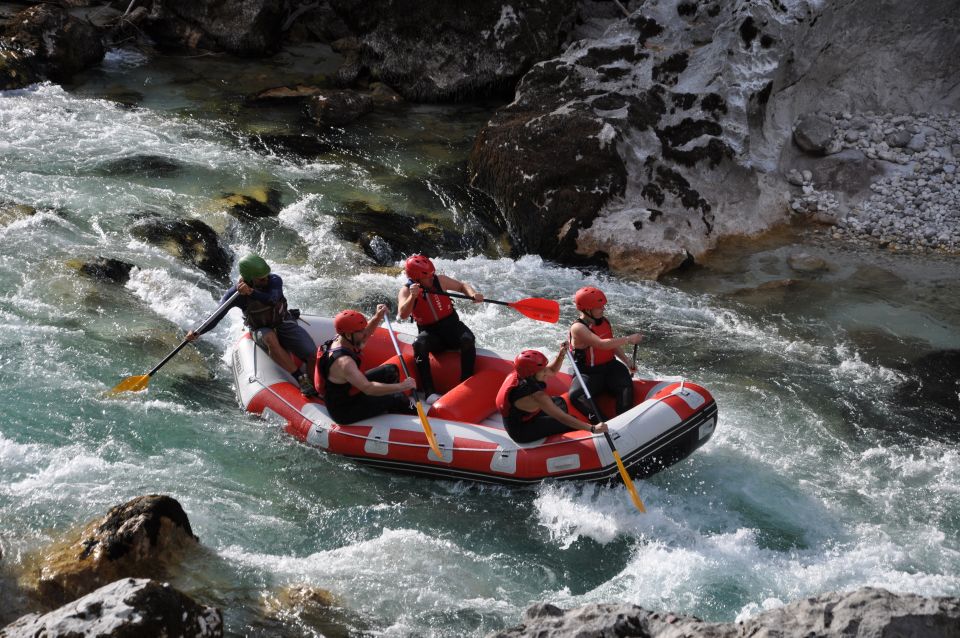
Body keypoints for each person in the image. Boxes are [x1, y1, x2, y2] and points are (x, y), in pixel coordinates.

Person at [187, 254, 317, 397]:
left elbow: (273, 299)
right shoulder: (235, 294)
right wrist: (198, 332)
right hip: (261, 329)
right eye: (261, 278)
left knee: (312, 355)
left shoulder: (275, 280)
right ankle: (301, 378)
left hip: (283, 322)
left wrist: (252, 292)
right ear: (250, 278)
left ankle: (316, 386)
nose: (266, 279)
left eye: (267, 275)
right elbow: (217, 315)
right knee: (269, 338)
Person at [396, 254, 482, 403]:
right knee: (419, 343)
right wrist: (413, 297)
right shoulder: (406, 291)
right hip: (431, 333)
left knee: (468, 339)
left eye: (431, 274)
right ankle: (429, 392)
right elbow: (402, 314)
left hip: (452, 326)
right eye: (427, 276)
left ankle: (465, 383)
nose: (431, 277)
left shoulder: (440, 280)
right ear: (416, 279)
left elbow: (462, 286)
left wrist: (473, 294)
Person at [317, 306, 418, 424]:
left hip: (350, 389)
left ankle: (386, 404)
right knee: (397, 396)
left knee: (390, 370)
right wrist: (402, 386)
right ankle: (411, 416)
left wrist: (377, 316)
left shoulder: (342, 338)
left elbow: (365, 334)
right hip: (345, 409)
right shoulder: (344, 362)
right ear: (349, 335)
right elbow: (368, 388)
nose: (364, 333)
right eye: (360, 331)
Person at [496, 345, 608, 443]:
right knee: (569, 421)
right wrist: (592, 428)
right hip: (521, 429)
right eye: (543, 370)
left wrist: (561, 355)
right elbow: (562, 418)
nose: (546, 372)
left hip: (524, 413)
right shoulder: (538, 396)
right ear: (532, 374)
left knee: (561, 403)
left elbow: (553, 371)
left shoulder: (521, 373)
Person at [567, 286, 643, 423]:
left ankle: (624, 421)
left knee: (626, 386)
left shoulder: (604, 321)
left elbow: (612, 345)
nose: (603, 309)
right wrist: (628, 339)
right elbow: (601, 344)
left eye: (603, 306)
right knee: (576, 396)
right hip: (589, 372)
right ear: (587, 309)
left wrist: (627, 361)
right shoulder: (578, 328)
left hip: (610, 367)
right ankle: (603, 424)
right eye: (599, 307)